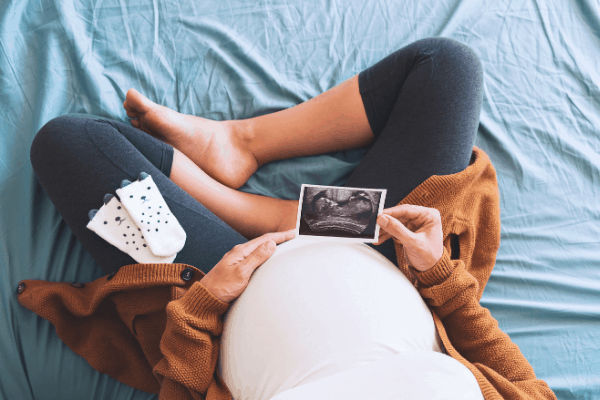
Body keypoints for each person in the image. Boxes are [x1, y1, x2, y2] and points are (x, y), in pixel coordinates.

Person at [22, 37, 557, 399]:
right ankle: (245, 146)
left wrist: (206, 305)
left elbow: (180, 387)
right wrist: (438, 273)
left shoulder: (213, 297)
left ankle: (272, 215)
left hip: (221, 286)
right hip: (385, 249)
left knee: (69, 141)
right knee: (446, 67)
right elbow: (518, 382)